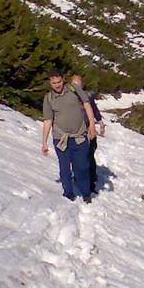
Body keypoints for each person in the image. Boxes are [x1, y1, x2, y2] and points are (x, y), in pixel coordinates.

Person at [42, 69, 97, 202]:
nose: (57, 85)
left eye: (59, 81)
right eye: (54, 82)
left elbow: (87, 104)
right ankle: (68, 194)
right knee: (64, 169)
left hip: (79, 136)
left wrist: (92, 124)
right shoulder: (49, 98)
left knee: (81, 168)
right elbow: (48, 120)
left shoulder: (73, 89)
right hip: (61, 139)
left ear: (63, 79)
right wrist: (44, 142)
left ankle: (86, 193)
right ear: (50, 82)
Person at [70, 74, 104, 193]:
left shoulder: (87, 97)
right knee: (77, 157)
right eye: (75, 85)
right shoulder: (66, 97)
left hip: (88, 130)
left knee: (89, 156)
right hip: (74, 132)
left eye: (79, 85)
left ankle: (91, 182)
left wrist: (99, 123)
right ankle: (79, 178)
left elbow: (94, 110)